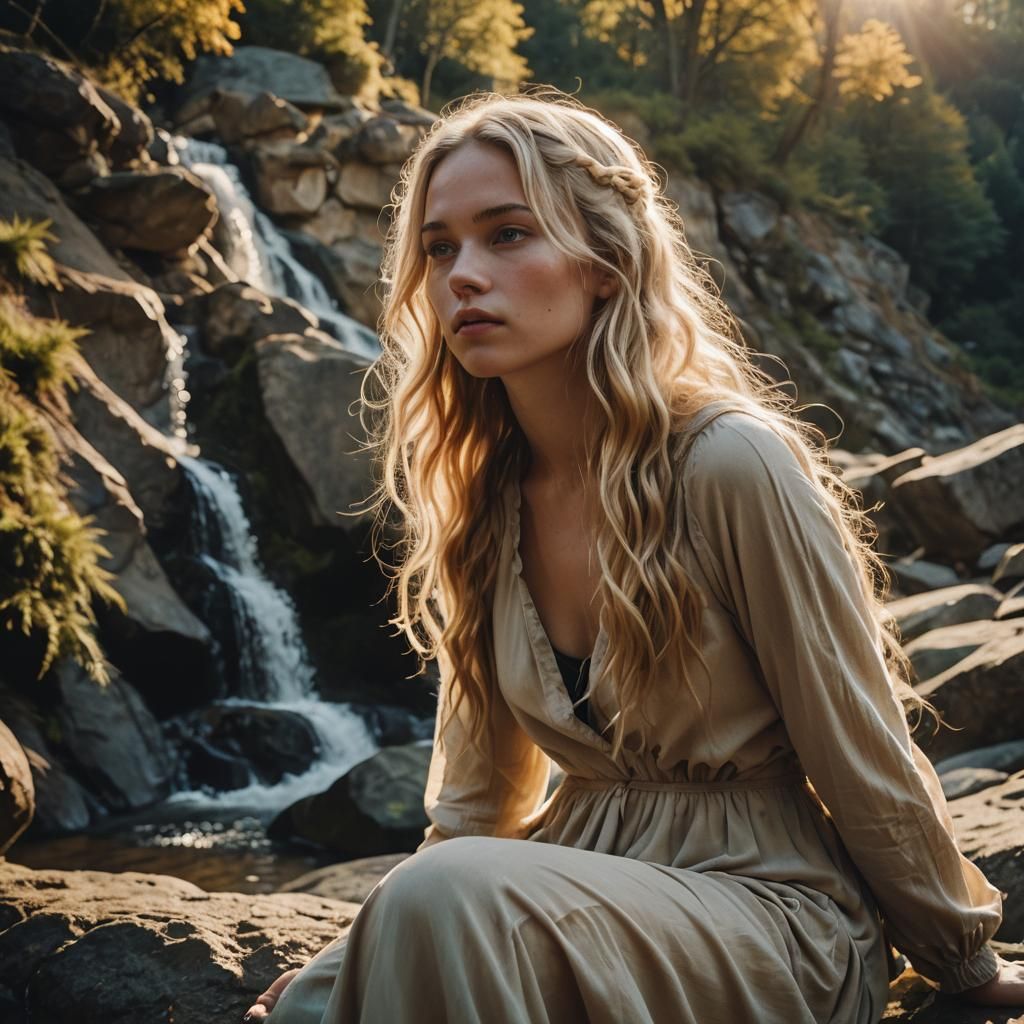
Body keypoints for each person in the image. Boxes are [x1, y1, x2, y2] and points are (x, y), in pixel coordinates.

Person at [244, 89, 1022, 1023]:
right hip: (583, 890)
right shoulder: (481, 496)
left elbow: (858, 738)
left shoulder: (730, 461)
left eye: (508, 234)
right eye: (440, 246)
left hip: (776, 914)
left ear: (606, 262)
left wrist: (964, 963)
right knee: (310, 1003)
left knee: (440, 901)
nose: (461, 276)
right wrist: (360, 948)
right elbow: (473, 808)